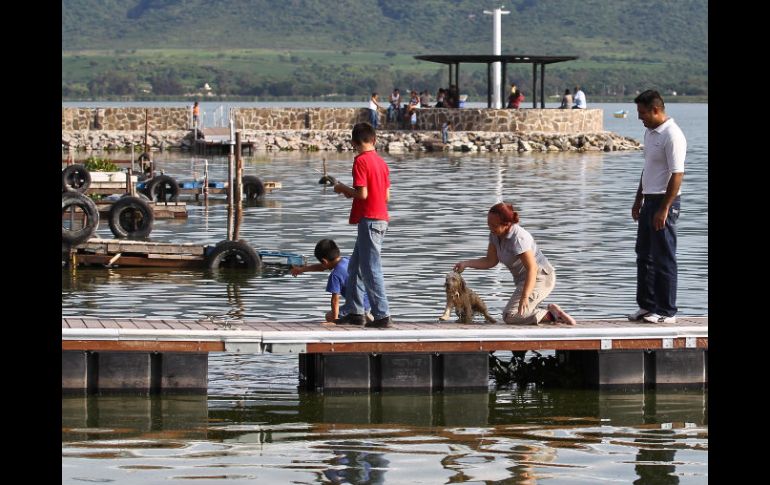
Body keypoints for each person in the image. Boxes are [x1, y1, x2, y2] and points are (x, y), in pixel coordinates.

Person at [453, 202, 576, 326]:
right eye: (488, 224)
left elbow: (532, 269)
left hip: (540, 277)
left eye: (494, 225)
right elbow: (490, 261)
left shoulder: (518, 238)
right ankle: (547, 312)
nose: (490, 228)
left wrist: (524, 297)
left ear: (506, 224)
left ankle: (553, 315)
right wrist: (466, 263)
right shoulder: (495, 235)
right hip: (525, 279)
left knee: (510, 315)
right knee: (517, 313)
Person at [628, 90, 686, 324]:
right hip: (649, 200)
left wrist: (664, 209)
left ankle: (666, 311)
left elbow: (677, 174)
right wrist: (638, 198)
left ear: (656, 110)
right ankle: (647, 306)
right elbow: (649, 169)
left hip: (664, 202)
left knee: (664, 257)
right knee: (644, 255)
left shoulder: (672, 135)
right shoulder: (650, 133)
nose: (639, 117)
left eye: (642, 113)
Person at [333, 122, 393, 328]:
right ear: (374, 140)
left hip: (369, 220)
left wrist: (342, 188)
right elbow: (386, 196)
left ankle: (382, 315)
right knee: (355, 266)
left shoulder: (360, 161)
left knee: (371, 269)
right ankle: (355, 311)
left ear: (353, 143)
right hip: (380, 218)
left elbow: (362, 194)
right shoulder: (381, 163)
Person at [290, 239, 373, 325]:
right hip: (370, 300)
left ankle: (363, 316)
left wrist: (335, 320)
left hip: (357, 305)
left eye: (322, 263)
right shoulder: (347, 260)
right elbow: (322, 267)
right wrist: (301, 270)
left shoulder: (335, 275)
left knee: (329, 316)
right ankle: (367, 313)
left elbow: (335, 299)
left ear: (324, 261)